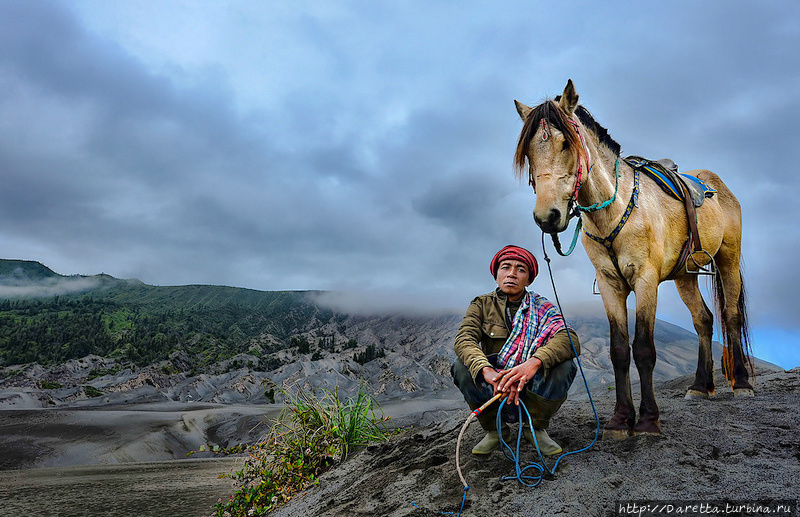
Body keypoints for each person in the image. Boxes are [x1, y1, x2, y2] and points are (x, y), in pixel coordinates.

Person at [451, 245, 580, 455]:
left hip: (530, 381)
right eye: (505, 267)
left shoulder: (542, 307)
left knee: (565, 365)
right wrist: (486, 370)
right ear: (496, 275)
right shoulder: (481, 305)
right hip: (495, 384)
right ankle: (495, 431)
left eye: (521, 269)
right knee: (461, 366)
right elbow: (464, 339)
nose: (512, 274)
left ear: (528, 280)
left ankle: (535, 428)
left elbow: (569, 337)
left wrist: (533, 363)